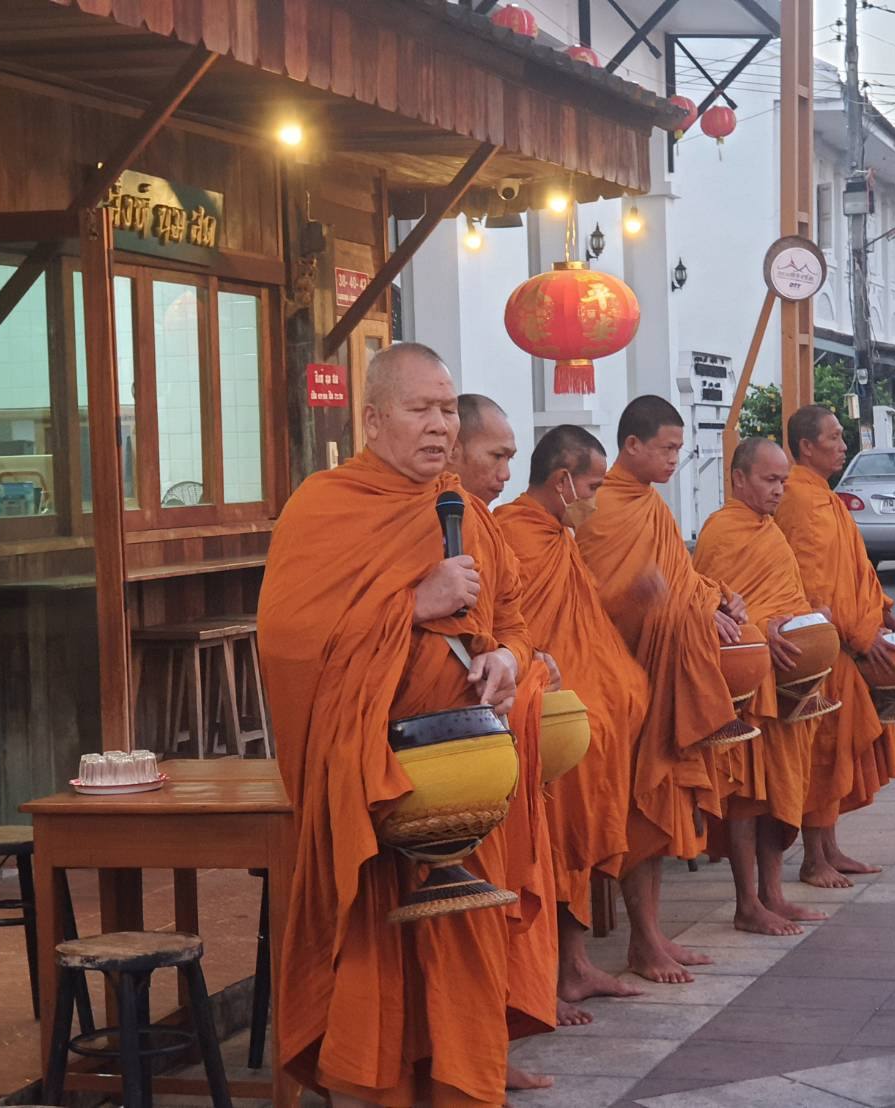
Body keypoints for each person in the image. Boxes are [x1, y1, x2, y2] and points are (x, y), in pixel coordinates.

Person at [257, 343, 543, 1107]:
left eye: (447, 409)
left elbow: (514, 620)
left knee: (464, 959)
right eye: (420, 410)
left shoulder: (465, 512)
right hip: (375, 790)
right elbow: (288, 642)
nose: (440, 426)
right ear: (374, 419)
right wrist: (412, 604)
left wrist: (508, 660)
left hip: (467, 789)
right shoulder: (325, 506)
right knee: (376, 963)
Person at [574, 394, 750, 984]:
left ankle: (650, 936)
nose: (677, 458)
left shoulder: (652, 506)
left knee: (656, 804)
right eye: (667, 448)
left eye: (679, 448)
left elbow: (680, 578)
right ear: (632, 445)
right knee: (637, 804)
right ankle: (644, 941)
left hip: (664, 670)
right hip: (617, 672)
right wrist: (641, 598)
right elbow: (584, 601)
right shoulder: (598, 508)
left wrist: (716, 598)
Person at [495, 425, 652, 1019]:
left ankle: (577, 964)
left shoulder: (559, 539)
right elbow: (513, 628)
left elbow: (585, 616)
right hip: (539, 716)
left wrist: (633, 596)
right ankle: (548, 973)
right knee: (555, 827)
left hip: (581, 714)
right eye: (592, 486)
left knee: (581, 817)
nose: (596, 499)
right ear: (563, 482)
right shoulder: (515, 534)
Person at [446, 393, 562, 1092]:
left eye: (511, 457)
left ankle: (485, 1046)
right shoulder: (415, 516)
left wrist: (513, 660)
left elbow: (513, 623)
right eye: (496, 455)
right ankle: (448, 1056)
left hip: (490, 734)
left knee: (489, 900)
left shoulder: (485, 526)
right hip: (435, 751)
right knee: (454, 910)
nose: (506, 471)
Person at [693, 438, 830, 935]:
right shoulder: (721, 532)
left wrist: (809, 621)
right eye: (770, 480)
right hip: (749, 686)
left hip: (789, 684)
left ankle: (774, 894)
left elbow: (786, 596)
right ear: (739, 479)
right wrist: (762, 629)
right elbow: (716, 612)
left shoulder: (771, 532)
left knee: (781, 790)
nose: (778, 490)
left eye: (783, 481)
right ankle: (747, 902)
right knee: (747, 795)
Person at [775, 405, 895, 888]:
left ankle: (830, 849)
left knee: (838, 749)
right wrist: (858, 634)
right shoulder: (798, 498)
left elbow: (853, 567)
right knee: (823, 748)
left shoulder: (825, 497)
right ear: (806, 446)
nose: (843, 445)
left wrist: (884, 614)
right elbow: (813, 586)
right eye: (833, 437)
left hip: (845, 641)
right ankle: (814, 859)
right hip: (823, 643)